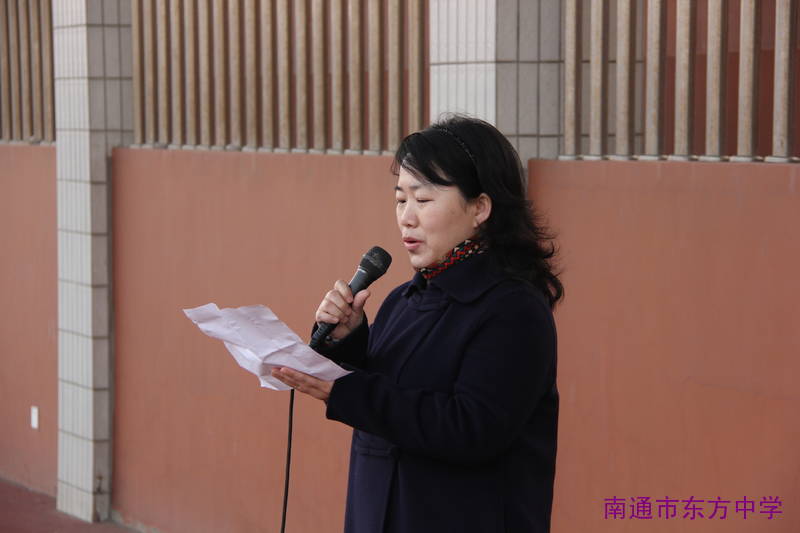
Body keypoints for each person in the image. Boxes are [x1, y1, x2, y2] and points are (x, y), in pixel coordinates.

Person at [271, 115, 563, 533]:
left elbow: (471, 429)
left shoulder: (513, 311)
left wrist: (347, 392)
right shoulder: (402, 300)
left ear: (480, 208)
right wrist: (348, 341)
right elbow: (392, 389)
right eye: (400, 199)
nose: (406, 218)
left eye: (423, 200)